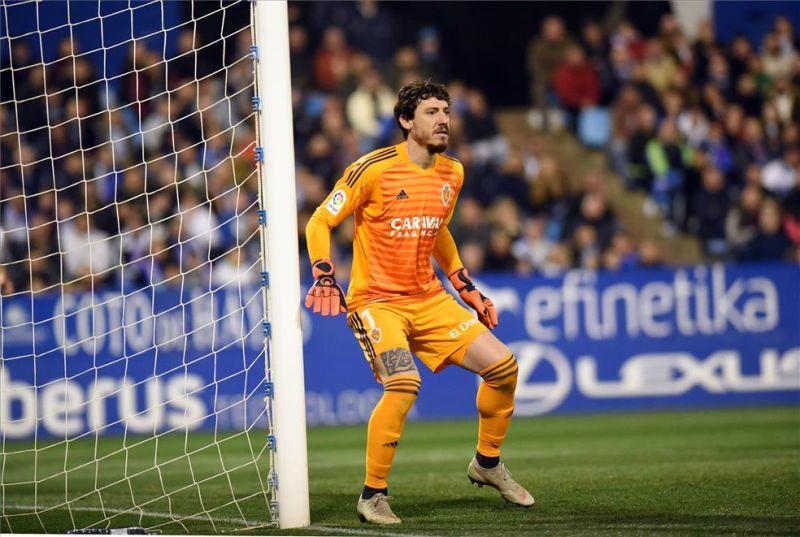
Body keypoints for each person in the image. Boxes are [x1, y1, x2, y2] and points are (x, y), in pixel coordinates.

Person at [304, 81, 534, 524]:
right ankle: (373, 494)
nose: (443, 119)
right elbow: (320, 220)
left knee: (504, 368)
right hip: (376, 302)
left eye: (446, 111)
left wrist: (465, 287)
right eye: (431, 112)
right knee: (404, 384)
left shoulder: (453, 172)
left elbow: (439, 230)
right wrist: (324, 272)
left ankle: (486, 464)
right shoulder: (371, 169)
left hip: (429, 298)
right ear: (406, 121)